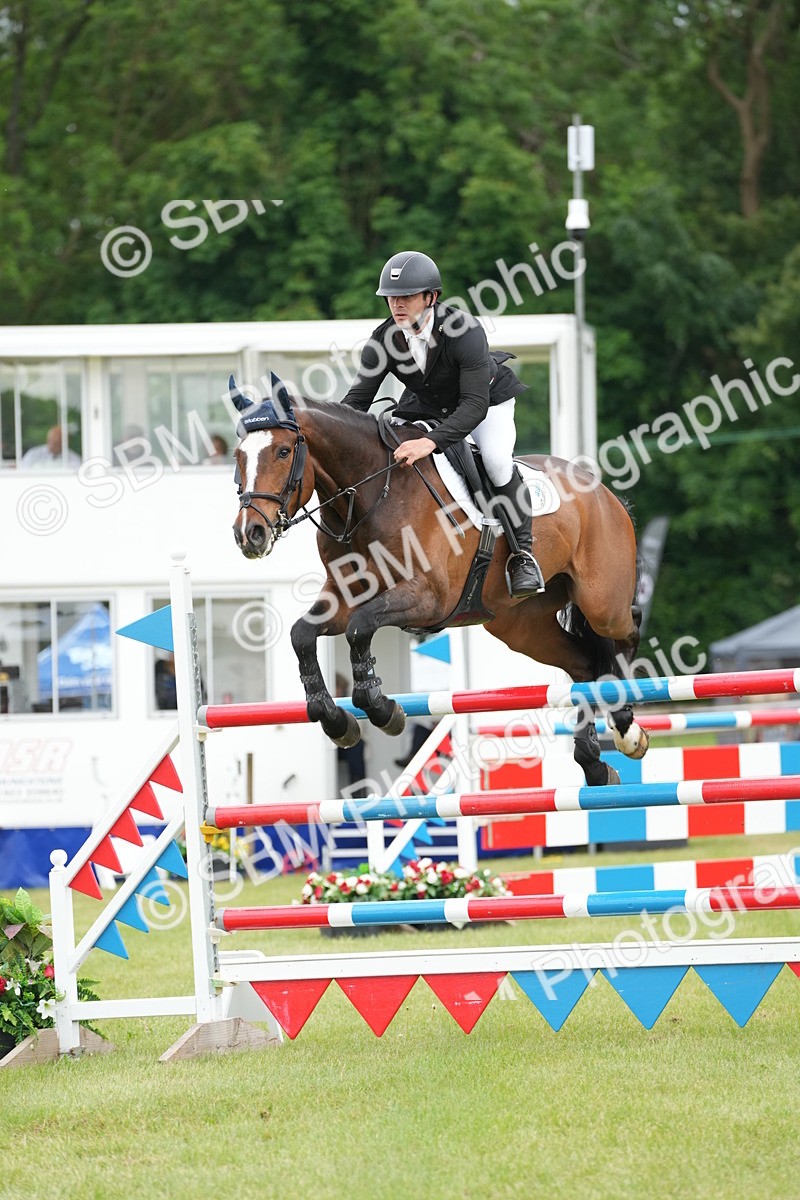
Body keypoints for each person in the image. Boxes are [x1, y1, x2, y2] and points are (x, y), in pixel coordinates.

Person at [341, 250, 544, 596]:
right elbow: (357, 402)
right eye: (391, 298)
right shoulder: (382, 340)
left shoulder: (464, 331)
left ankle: (523, 554)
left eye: (405, 296)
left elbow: (475, 405)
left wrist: (430, 441)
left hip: (485, 402)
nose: (396, 305)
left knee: (495, 462)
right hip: (429, 404)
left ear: (431, 297)